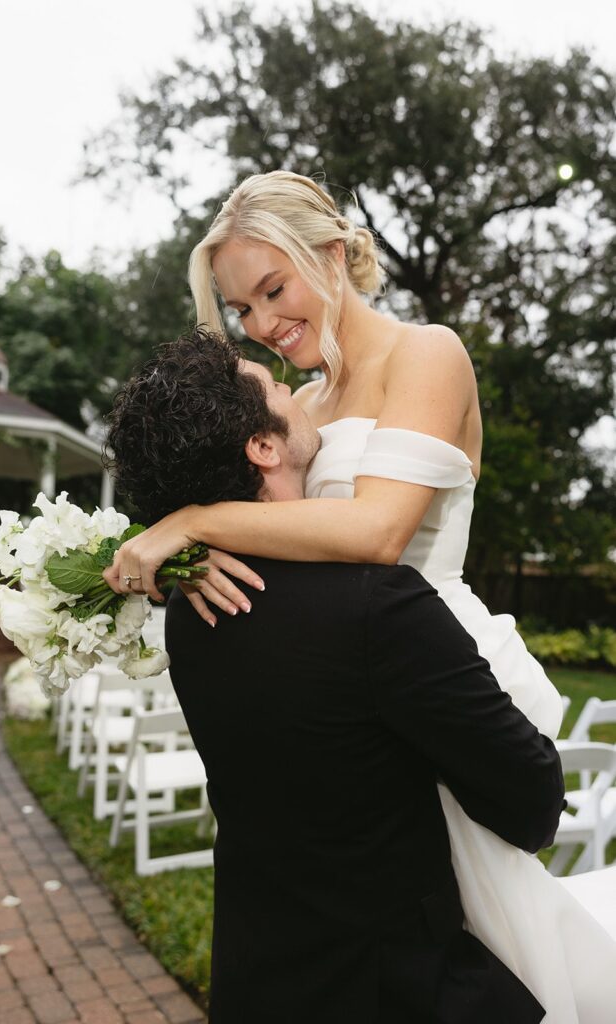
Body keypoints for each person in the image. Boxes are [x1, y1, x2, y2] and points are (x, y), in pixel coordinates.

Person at [104, 173, 616, 1021]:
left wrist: (192, 518)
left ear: (332, 253)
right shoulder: (297, 403)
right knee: (378, 908)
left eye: (274, 289)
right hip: (345, 692)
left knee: (470, 922)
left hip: (431, 665)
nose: (263, 326)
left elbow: (380, 534)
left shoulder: (427, 355)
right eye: (241, 310)